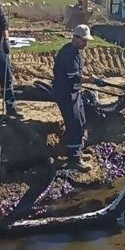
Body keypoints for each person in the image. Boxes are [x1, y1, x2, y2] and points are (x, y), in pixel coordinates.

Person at [52, 24, 107, 172]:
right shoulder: (69, 54)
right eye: (84, 40)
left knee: (81, 120)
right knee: (74, 123)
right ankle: (74, 159)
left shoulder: (76, 52)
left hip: (74, 92)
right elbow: (73, 77)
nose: (86, 43)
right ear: (75, 38)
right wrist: (92, 80)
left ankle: (78, 152)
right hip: (65, 93)